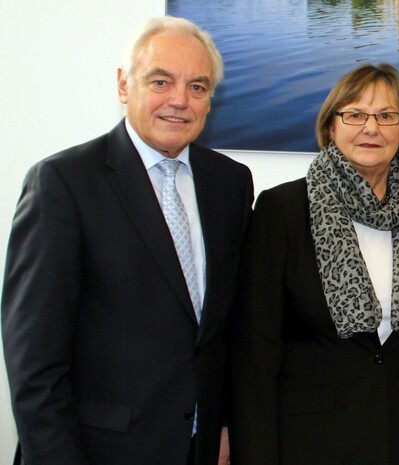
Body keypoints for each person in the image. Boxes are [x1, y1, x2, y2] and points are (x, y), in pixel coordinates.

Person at [1, 16, 254, 465]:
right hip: (98, 451)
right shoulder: (62, 183)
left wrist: (225, 425)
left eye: (197, 87)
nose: (179, 101)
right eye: (161, 81)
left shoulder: (230, 184)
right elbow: (34, 364)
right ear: (124, 85)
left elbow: (224, 328)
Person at [228, 63, 399, 465]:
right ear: (331, 127)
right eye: (354, 114)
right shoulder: (283, 210)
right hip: (310, 442)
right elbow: (254, 352)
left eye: (386, 116)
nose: (371, 127)